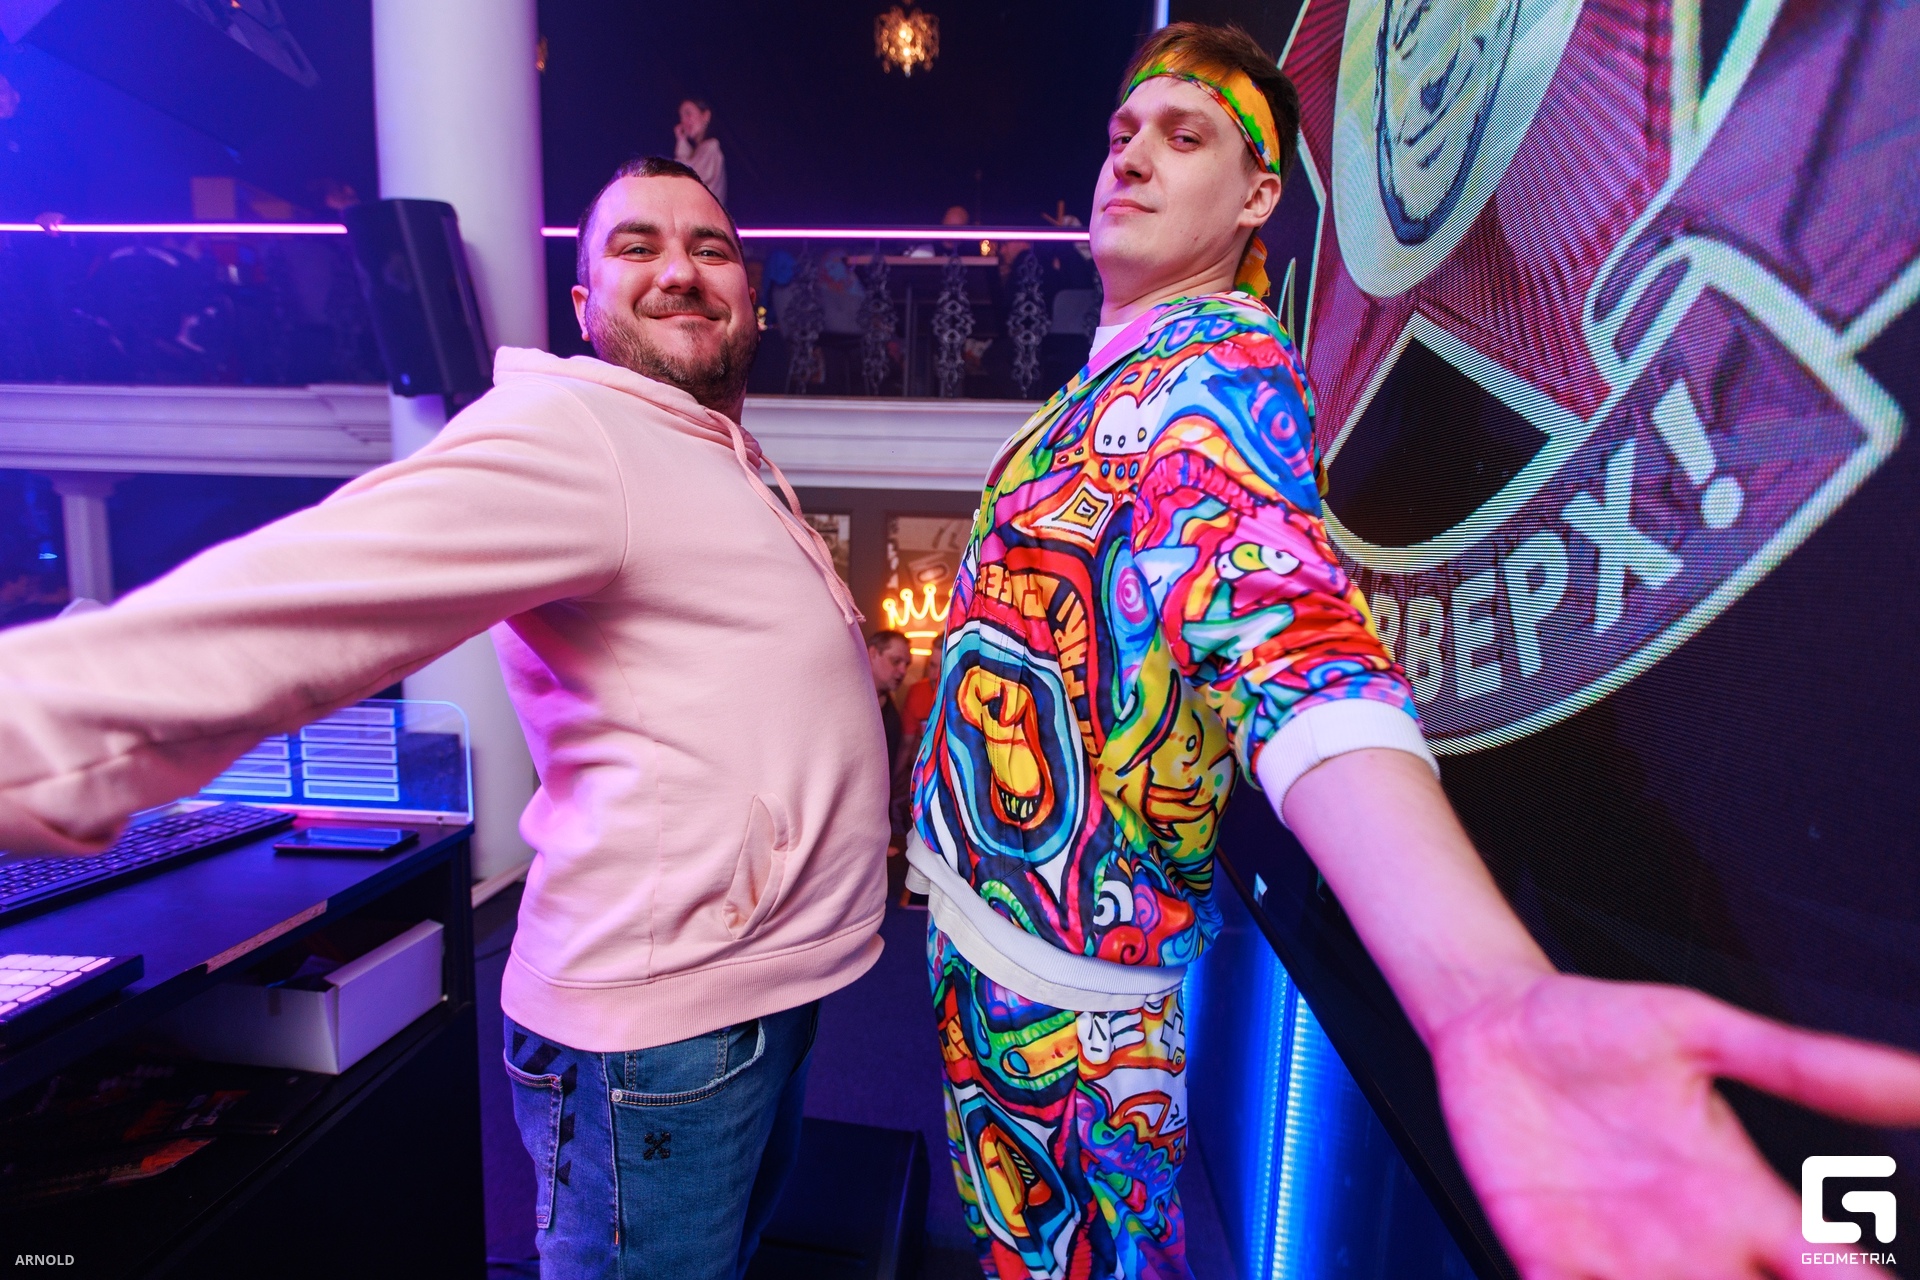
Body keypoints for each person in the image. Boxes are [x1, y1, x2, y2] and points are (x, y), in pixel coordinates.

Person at [904, 22, 1920, 1280]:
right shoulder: (1108, 379)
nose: (1132, 157)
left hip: (1069, 1012)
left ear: (1259, 196)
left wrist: (1479, 985)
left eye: (1185, 136)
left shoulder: (1216, 379)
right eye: (1123, 134)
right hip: (987, 952)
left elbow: (1293, 636)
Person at [0, 156, 889, 1280]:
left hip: (761, 993)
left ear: (750, 296)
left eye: (710, 249)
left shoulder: (720, 452)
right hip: (664, 1032)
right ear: (585, 304)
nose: (680, 270)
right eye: (638, 247)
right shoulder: (577, 430)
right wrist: (32, 732)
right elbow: (310, 596)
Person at [867, 629, 913, 851]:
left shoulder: (892, 716)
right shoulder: (844, 696)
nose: (902, 671)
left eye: (906, 664)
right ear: (872, 653)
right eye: (896, 661)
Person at [674, 97, 727, 208]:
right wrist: (682, 140)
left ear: (706, 115)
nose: (683, 121)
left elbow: (684, 176)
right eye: (681, 117)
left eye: (688, 114)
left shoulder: (711, 147)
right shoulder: (699, 150)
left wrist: (681, 142)